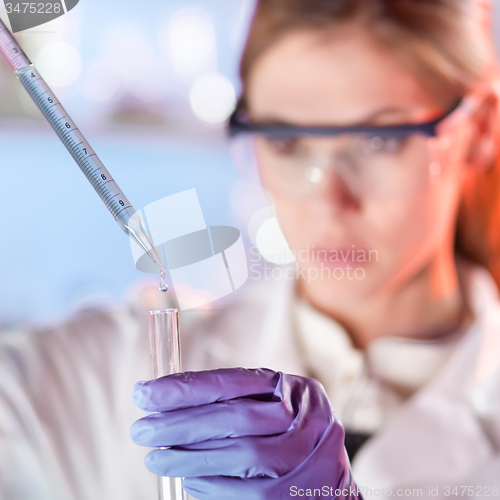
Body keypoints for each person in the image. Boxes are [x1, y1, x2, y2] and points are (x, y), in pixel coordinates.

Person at [1, 0, 500, 499]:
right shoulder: (118, 372)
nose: (328, 200)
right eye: (285, 141)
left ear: (479, 131)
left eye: (379, 140)